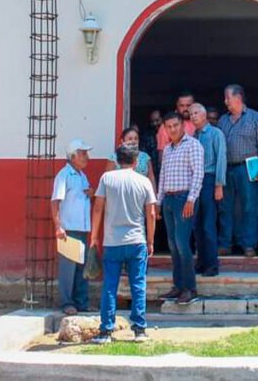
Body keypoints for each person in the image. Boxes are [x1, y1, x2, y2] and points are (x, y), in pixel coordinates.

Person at [89, 145, 158, 344]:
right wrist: (151, 240)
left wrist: (94, 236)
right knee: (138, 285)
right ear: (136, 162)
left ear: (118, 161)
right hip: (137, 240)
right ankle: (139, 330)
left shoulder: (107, 179)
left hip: (112, 241)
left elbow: (98, 208)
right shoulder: (144, 181)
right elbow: (151, 214)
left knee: (110, 285)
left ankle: (106, 331)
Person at [217, 84, 258, 258]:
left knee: (250, 207)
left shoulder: (255, 118)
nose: (225, 101)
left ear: (238, 97)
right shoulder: (223, 120)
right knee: (226, 207)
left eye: (228, 98)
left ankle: (249, 244)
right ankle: (226, 243)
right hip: (227, 168)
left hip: (249, 168)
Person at [157, 112, 204, 304]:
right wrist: (159, 202)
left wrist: (191, 199)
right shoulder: (167, 149)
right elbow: (162, 176)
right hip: (168, 199)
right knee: (173, 246)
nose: (173, 129)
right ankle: (178, 286)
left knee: (182, 244)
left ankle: (190, 288)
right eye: (169, 126)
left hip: (185, 198)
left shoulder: (193, 145)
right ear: (165, 129)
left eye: (176, 125)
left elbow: (198, 174)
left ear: (183, 125)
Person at [52, 139, 93, 315]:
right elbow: (55, 202)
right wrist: (58, 226)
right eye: (83, 153)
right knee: (68, 269)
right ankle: (67, 302)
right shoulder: (64, 175)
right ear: (73, 156)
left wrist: (90, 194)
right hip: (68, 228)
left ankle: (81, 302)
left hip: (83, 228)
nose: (87, 157)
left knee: (81, 268)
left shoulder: (82, 176)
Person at [190, 103, 226, 277]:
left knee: (208, 224)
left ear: (204, 115)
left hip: (210, 180)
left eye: (196, 113)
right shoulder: (192, 136)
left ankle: (212, 264)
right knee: (196, 224)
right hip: (194, 183)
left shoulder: (215, 134)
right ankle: (201, 261)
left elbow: (221, 160)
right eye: (191, 114)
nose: (193, 116)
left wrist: (219, 185)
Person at [141, 110, 162, 175]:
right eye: (152, 122)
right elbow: (144, 156)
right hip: (152, 172)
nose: (155, 123)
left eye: (157, 120)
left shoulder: (170, 133)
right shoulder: (147, 136)